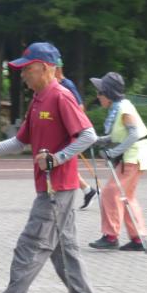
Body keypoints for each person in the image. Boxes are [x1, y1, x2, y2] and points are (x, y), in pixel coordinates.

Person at [0, 42, 107, 293]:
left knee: (30, 243)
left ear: (44, 68)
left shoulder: (60, 96)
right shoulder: (39, 98)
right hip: (53, 186)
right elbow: (20, 141)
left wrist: (57, 158)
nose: (22, 75)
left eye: (26, 69)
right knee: (62, 248)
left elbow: (88, 135)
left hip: (58, 187)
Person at [88, 72, 147, 252]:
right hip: (134, 156)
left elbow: (133, 134)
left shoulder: (124, 108)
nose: (98, 96)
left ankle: (111, 236)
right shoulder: (119, 108)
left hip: (133, 157)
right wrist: (100, 140)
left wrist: (113, 152)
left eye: (100, 92)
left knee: (110, 192)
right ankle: (138, 239)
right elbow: (120, 134)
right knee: (126, 197)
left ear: (108, 93)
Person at [55, 58, 97, 209]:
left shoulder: (67, 85)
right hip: (61, 133)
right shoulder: (56, 86)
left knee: (63, 164)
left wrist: (70, 125)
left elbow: (80, 107)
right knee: (66, 165)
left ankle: (84, 191)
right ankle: (87, 190)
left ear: (58, 69)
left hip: (70, 133)